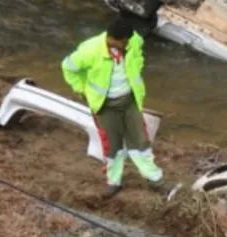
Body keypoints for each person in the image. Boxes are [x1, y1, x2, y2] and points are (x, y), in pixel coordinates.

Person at [61, 17, 177, 200]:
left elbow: (138, 55)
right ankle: (114, 182)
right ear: (115, 39)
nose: (128, 45)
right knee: (112, 147)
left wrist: (137, 65)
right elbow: (68, 68)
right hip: (105, 106)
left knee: (141, 143)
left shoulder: (133, 41)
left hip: (129, 101)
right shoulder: (89, 50)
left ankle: (156, 181)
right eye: (125, 42)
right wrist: (81, 90)